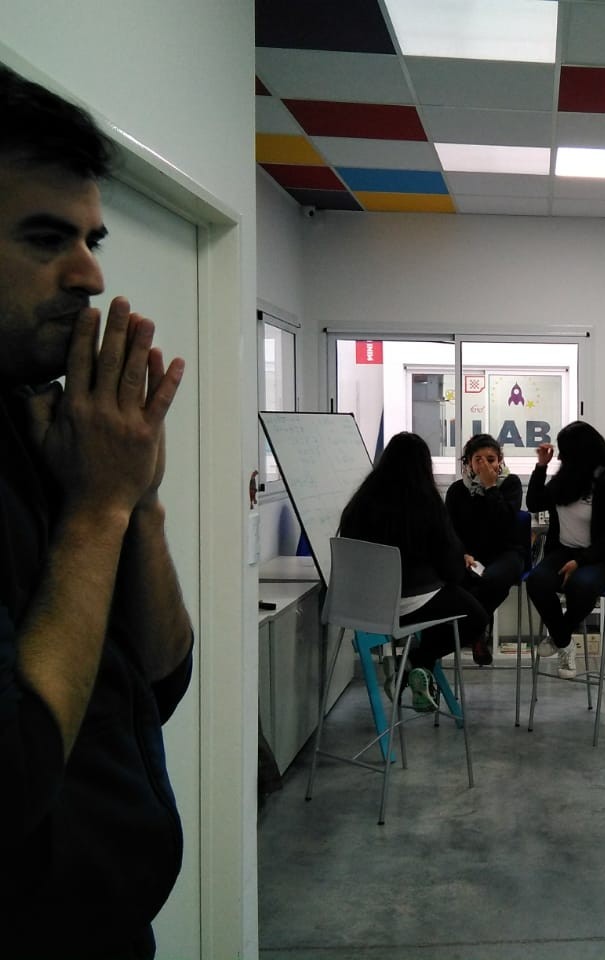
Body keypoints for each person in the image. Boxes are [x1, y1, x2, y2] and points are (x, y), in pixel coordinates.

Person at [0, 65, 194, 957]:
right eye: (46, 238)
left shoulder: (48, 428)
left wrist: (137, 501)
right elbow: (17, 770)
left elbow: (160, 682)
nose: (89, 272)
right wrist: (99, 509)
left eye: (91, 238)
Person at [339, 432, 490, 709]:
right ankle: (414, 662)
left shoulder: (360, 503)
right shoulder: (427, 504)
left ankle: (418, 669)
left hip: (361, 605)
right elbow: (451, 568)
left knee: (447, 601)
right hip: (410, 603)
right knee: (475, 616)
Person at [524, 421, 605, 679]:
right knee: (536, 581)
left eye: (565, 452)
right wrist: (541, 467)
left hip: (599, 556)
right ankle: (564, 641)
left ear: (580, 453)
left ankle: (559, 635)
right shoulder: (567, 477)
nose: (560, 457)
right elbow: (535, 503)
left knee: (580, 586)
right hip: (563, 551)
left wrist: (581, 561)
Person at [445, 433, 526, 641]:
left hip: (506, 553)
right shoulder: (457, 490)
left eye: (490, 459)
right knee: (454, 580)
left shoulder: (510, 483)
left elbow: (504, 522)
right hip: (470, 555)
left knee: (493, 579)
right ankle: (477, 633)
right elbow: (450, 530)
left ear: (500, 460)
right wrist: (462, 553)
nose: (485, 465)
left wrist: (490, 487)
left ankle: (470, 630)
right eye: (478, 460)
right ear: (469, 463)